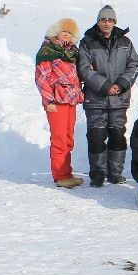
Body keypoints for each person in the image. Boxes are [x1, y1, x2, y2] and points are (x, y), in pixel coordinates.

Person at [78, 5, 138, 187]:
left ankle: (115, 172)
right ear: (98, 21)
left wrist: (121, 84)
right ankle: (97, 173)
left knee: (117, 135)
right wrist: (105, 86)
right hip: (96, 98)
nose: (107, 23)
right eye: (103, 20)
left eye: (110, 20)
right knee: (96, 136)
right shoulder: (88, 42)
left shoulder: (125, 42)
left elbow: (134, 63)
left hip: (119, 98)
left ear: (115, 22)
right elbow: (83, 68)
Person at [36, 18, 84, 188]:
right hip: (56, 101)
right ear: (56, 31)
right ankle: (60, 175)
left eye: (70, 32)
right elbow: (42, 78)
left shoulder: (72, 52)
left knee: (68, 139)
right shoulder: (48, 51)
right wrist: (48, 100)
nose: (66, 34)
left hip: (70, 101)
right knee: (59, 139)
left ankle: (67, 173)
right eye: (64, 30)